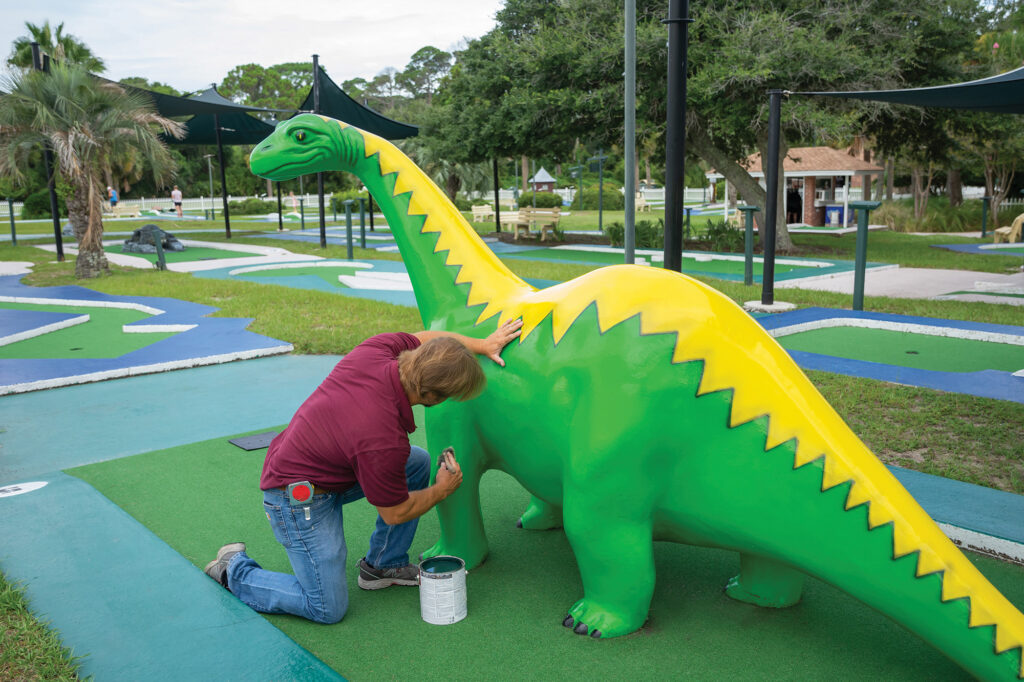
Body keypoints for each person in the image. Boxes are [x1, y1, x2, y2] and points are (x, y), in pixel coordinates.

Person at [203, 320, 523, 624]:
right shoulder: (382, 440)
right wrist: (442, 489)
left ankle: (382, 566)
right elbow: (396, 511)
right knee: (326, 607)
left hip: (326, 464)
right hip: (295, 498)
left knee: (417, 462)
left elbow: (427, 337)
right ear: (432, 398)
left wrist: (483, 345)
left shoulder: (377, 350)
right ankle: (234, 569)